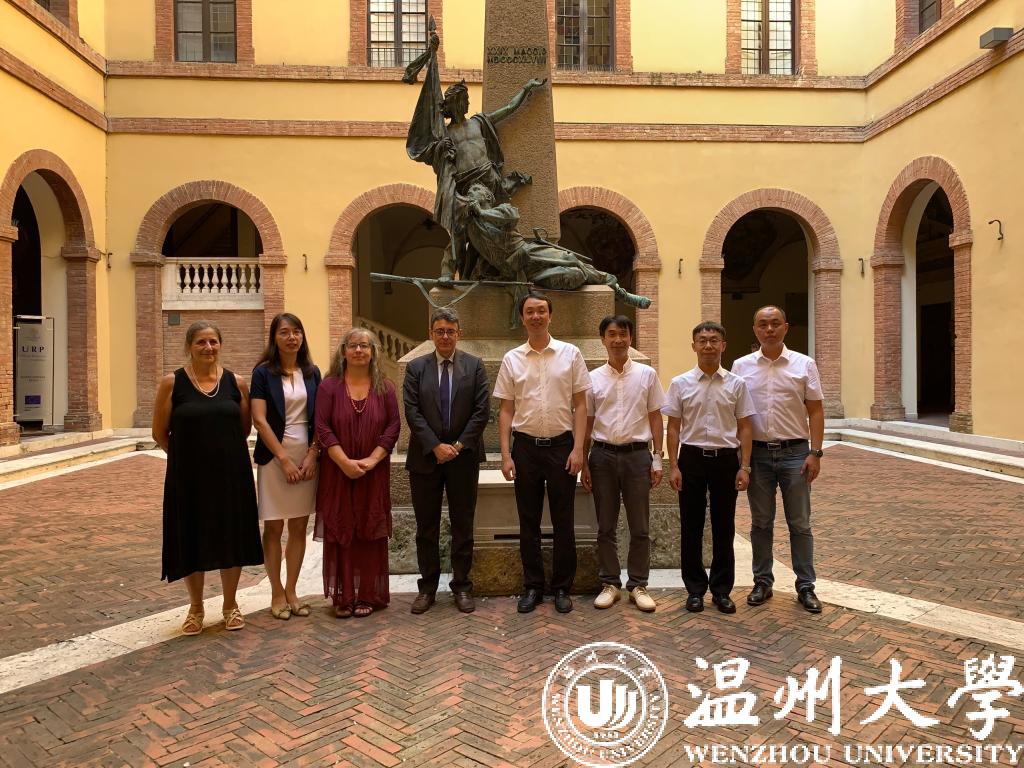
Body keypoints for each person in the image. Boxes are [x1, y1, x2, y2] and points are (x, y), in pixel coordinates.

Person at [404, 28, 543, 281]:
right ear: (454, 104)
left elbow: (508, 109)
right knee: (461, 229)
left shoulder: (479, 122)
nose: (467, 103)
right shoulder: (445, 134)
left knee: (496, 227)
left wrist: (526, 89)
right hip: (465, 185)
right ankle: (449, 271)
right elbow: (429, 152)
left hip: (489, 180)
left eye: (467, 100)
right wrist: (441, 151)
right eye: (464, 100)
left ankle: (493, 266)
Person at [152, 320, 263, 635]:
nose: (208, 347)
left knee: (231, 534)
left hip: (231, 473)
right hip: (188, 476)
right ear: (189, 346)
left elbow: (243, 428)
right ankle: (196, 607)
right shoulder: (172, 383)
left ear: (220, 345)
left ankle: (230, 604)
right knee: (191, 535)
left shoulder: (236, 383)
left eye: (213, 341)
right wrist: (187, 457)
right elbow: (159, 432)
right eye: (201, 342)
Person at [493, 292, 591, 614]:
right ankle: (533, 586)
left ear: (550, 315)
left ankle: (562, 587)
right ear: (522, 318)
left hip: (562, 447)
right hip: (525, 449)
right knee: (528, 521)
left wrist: (579, 449)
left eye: (541, 311)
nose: (536, 316)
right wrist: (505, 455)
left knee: (564, 520)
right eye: (529, 312)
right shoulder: (512, 359)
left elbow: (581, 405)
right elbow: (506, 410)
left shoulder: (571, 354)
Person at [732, 306, 825, 613]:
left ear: (786, 327)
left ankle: (806, 586)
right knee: (761, 523)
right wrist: (742, 459)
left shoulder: (804, 364)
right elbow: (737, 414)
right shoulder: (741, 366)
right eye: (763, 324)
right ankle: (762, 581)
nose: (769, 329)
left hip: (796, 454)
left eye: (775, 324)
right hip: (758, 455)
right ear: (755, 329)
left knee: (800, 523)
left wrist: (815, 452)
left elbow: (815, 410)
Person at [663, 321, 755, 615]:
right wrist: (673, 465)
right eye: (702, 340)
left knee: (724, 527)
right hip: (691, 459)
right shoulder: (680, 383)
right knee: (691, 527)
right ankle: (694, 590)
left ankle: (721, 590)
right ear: (694, 346)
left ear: (723, 346)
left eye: (714, 340)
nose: (708, 346)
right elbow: (673, 427)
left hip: (726, 460)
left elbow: (745, 426)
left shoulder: (737, 384)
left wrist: (744, 467)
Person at [403, 308, 490, 614]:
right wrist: (435, 446)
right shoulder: (416, 368)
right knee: (426, 527)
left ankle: (462, 586)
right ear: (431, 334)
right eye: (439, 331)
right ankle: (427, 588)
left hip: (463, 458)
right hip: (425, 458)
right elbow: (412, 411)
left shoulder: (475, 366)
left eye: (450, 331)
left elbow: (482, 411)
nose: (445, 336)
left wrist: (458, 445)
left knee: (463, 525)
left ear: (459, 334)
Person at [581, 315, 666, 613]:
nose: (618, 340)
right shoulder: (592, 378)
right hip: (602, 456)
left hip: (637, 456)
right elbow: (587, 422)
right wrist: (584, 462)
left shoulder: (647, 375)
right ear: (603, 339)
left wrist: (658, 458)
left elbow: (655, 417)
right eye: (612, 334)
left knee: (639, 526)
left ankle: (638, 585)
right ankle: (610, 584)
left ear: (631, 338)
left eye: (623, 334)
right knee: (605, 526)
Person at [314, 328, 400, 618]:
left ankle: (367, 594)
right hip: (337, 472)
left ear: (373, 352)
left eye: (364, 346)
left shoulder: (385, 388)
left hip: (373, 473)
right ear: (344, 351)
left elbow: (393, 427)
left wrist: (372, 460)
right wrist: (344, 462)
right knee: (342, 527)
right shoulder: (329, 387)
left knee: (369, 528)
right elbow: (322, 427)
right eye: (353, 346)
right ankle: (344, 595)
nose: (359, 350)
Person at [250, 313, 321, 621]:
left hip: (306, 458)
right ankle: (276, 592)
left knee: (298, 527)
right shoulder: (263, 373)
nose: (291, 337)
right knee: (273, 526)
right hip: (274, 458)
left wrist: (313, 454)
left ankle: (292, 590)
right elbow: (259, 420)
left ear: (302, 337)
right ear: (274, 338)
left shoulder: (312, 372)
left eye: (296, 332)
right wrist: (283, 459)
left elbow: (321, 417)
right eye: (284, 332)